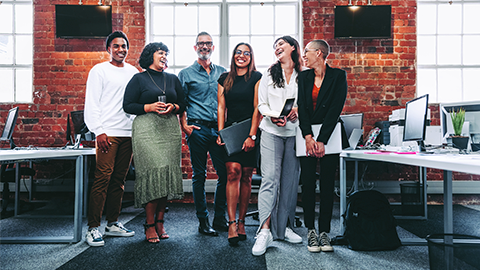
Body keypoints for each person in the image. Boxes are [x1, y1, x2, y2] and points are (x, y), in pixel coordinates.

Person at [123, 42, 186, 243]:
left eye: (167, 53)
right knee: (152, 174)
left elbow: (184, 103)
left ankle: (160, 221)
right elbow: (128, 105)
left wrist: (173, 106)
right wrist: (149, 107)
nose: (165, 56)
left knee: (165, 175)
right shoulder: (138, 79)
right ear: (150, 55)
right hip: (147, 130)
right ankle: (149, 224)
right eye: (161, 53)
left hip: (169, 130)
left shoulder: (173, 79)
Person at [84, 31, 138, 247]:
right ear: (108, 49)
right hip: (108, 133)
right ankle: (93, 228)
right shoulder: (99, 71)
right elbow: (92, 103)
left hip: (128, 133)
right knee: (102, 178)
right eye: (116, 46)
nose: (120, 50)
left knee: (119, 180)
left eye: (124, 46)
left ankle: (113, 223)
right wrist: (98, 130)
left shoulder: (133, 72)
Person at [252, 36, 303, 256]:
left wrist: (297, 111)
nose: (277, 47)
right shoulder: (268, 74)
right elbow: (261, 104)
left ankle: (283, 228)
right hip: (271, 132)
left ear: (293, 47)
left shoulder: (304, 75)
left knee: (290, 183)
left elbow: (308, 102)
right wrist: (273, 116)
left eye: (281, 44)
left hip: (295, 133)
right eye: (275, 46)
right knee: (270, 180)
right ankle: (264, 230)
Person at [297, 39, 348, 253]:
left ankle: (324, 232)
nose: (303, 56)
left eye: (306, 52)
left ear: (319, 53)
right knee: (308, 184)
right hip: (306, 135)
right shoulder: (304, 77)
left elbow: (335, 109)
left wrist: (321, 140)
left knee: (327, 185)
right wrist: (309, 137)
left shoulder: (338, 76)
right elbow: (302, 107)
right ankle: (310, 230)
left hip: (329, 136)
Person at [178, 32, 228, 236]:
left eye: (208, 43)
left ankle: (219, 219)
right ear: (195, 47)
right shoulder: (186, 74)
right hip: (197, 129)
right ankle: (202, 220)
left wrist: (224, 130)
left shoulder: (223, 72)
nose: (204, 46)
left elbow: (227, 103)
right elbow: (181, 102)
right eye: (201, 43)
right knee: (199, 175)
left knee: (224, 174)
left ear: (213, 47)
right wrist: (185, 126)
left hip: (218, 130)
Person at [216, 43, 262, 245]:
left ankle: (242, 221)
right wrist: (221, 133)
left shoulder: (257, 77)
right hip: (231, 133)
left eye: (246, 53)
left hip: (250, 132)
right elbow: (221, 107)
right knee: (232, 171)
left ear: (251, 57)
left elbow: (257, 108)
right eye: (238, 52)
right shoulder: (224, 79)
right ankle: (232, 223)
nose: (241, 56)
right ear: (233, 55)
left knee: (246, 176)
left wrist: (251, 136)